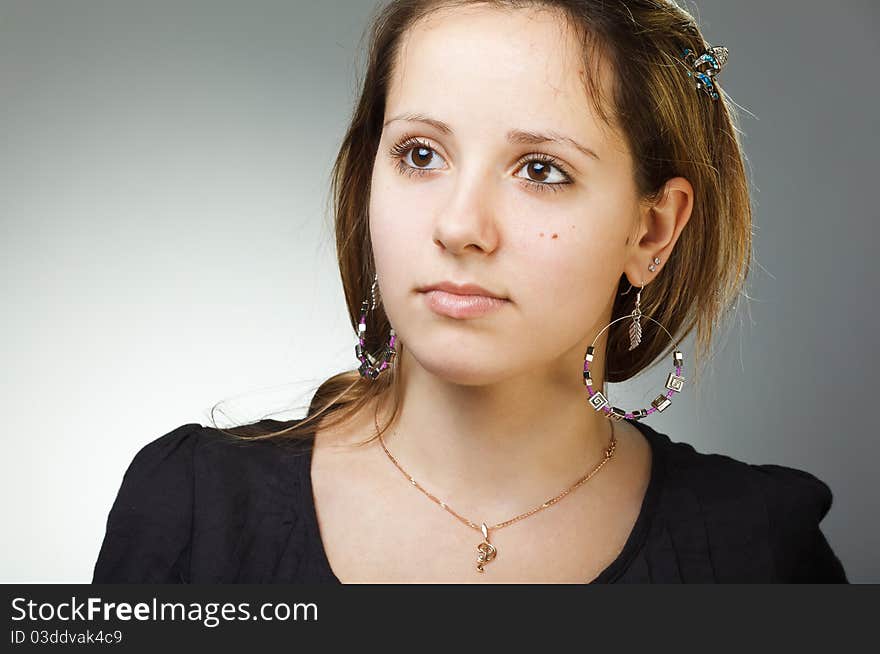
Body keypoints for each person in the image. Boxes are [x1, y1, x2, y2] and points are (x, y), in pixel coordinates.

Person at [92, 0, 848, 583]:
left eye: (542, 170)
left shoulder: (761, 551)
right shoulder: (191, 508)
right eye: (420, 154)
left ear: (651, 232)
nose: (459, 226)